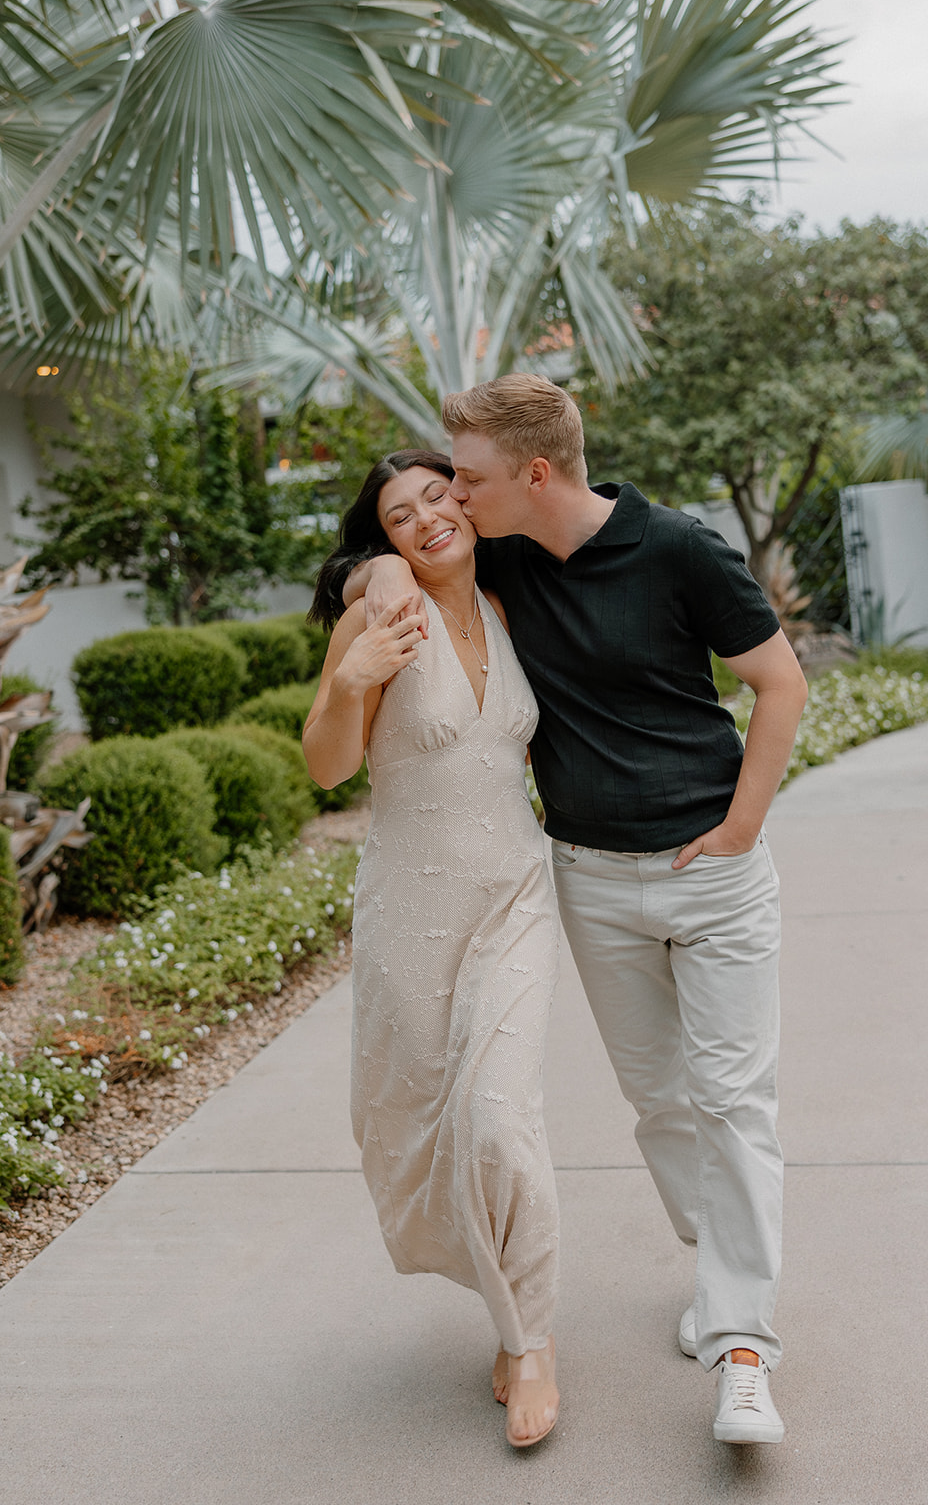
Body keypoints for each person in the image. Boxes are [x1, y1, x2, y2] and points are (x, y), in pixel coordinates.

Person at [348, 375, 809, 1452]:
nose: (451, 499)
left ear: (534, 474)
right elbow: (384, 558)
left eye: (465, 477)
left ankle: (742, 1343)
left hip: (713, 870)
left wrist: (739, 828)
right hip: (592, 879)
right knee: (660, 1103)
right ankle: (724, 1253)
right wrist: (378, 573)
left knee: (734, 1096)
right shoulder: (501, 555)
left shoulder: (680, 551)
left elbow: (778, 685)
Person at [303, 449, 561, 1449]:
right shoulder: (377, 609)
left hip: (515, 896)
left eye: (435, 496)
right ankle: (505, 1306)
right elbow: (326, 766)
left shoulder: (509, 598)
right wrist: (350, 680)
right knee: (423, 1124)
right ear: (384, 539)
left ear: (464, 500)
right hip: (412, 913)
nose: (422, 518)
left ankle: (531, 1340)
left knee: (500, 1121)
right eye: (397, 515)